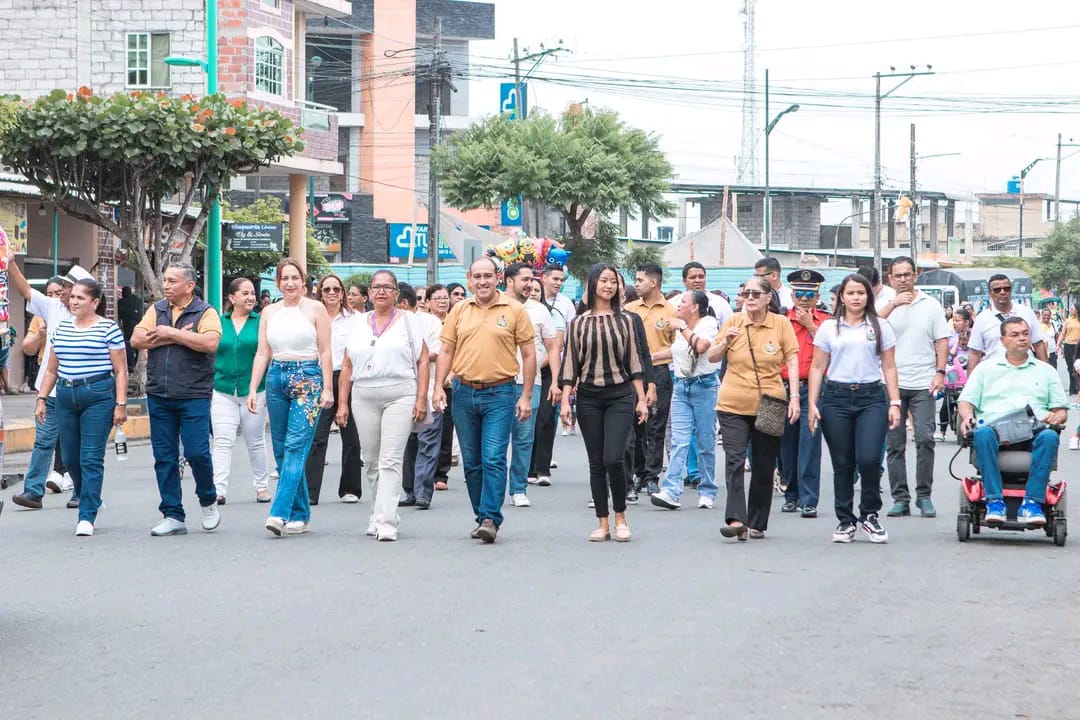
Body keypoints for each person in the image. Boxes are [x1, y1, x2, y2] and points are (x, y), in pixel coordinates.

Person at [432, 257, 535, 544]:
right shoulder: (459, 310)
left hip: (501, 393)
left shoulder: (514, 310)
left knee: (493, 457)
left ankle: (490, 517)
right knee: (472, 462)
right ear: (469, 279)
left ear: (498, 277)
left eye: (487, 276)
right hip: (463, 392)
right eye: (477, 276)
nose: (482, 281)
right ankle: (482, 516)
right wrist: (438, 388)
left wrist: (526, 395)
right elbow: (446, 351)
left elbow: (529, 354)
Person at [808, 273, 902, 545]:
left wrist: (895, 402)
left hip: (871, 397)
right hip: (836, 398)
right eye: (850, 293)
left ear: (868, 296)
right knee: (842, 463)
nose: (856, 298)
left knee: (869, 458)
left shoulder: (880, 325)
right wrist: (812, 403)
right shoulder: (829, 327)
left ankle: (869, 514)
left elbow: (889, 366)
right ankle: (845, 519)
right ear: (842, 297)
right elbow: (817, 366)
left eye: (861, 292)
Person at [132, 262, 223, 537]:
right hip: (159, 393)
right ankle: (172, 514)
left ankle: (208, 499)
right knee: (164, 457)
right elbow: (137, 339)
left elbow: (210, 343)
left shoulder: (205, 312)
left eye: (172, 281)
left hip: (194, 393)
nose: (166, 286)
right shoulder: (157, 309)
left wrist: (170, 333)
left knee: (197, 453)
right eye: (165, 280)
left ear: (190, 285)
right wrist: (185, 337)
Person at [336, 272, 429, 541]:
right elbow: (347, 366)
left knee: (390, 459)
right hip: (363, 394)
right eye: (376, 287)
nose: (381, 292)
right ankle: (378, 513)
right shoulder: (357, 323)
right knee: (371, 460)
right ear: (369, 293)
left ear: (396, 293)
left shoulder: (409, 321)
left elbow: (423, 360)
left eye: (388, 287)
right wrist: (342, 403)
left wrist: (421, 398)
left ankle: (387, 521)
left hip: (400, 392)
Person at [707, 276, 800, 540]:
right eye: (745, 293)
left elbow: (792, 360)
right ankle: (737, 519)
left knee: (763, 464)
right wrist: (726, 341)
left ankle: (757, 521)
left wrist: (794, 396)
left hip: (770, 402)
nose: (749, 298)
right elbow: (712, 356)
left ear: (768, 297)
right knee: (734, 460)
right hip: (733, 403)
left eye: (755, 294)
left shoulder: (780, 324)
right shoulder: (734, 321)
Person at [560, 263, 648, 541]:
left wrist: (642, 399)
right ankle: (603, 523)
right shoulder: (578, 323)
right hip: (588, 397)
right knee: (596, 462)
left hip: (620, 395)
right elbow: (570, 364)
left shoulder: (626, 321)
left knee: (614, 457)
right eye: (603, 280)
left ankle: (621, 516)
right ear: (592, 284)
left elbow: (634, 361)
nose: (609, 286)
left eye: (613, 281)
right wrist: (565, 402)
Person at [34, 278, 127, 536]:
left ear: (94, 302)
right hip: (65, 394)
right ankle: (91, 495)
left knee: (90, 457)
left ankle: (86, 515)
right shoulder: (62, 328)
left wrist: (121, 404)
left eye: (80, 298)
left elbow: (120, 370)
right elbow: (51, 369)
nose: (73, 301)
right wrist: (41, 398)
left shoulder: (108, 328)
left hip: (98, 395)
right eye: (72, 296)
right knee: (70, 458)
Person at [248, 259, 333, 536]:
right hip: (276, 377)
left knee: (296, 445)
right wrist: (253, 388)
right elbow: (262, 352)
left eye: (295, 277)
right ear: (277, 282)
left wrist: (328, 388)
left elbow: (326, 351)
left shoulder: (316, 309)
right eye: (285, 278)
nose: (290, 283)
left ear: (303, 281)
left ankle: (279, 512)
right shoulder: (269, 312)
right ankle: (300, 513)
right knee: (281, 448)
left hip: (307, 377)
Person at [958, 317, 1068, 527]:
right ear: (1003, 340)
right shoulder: (985, 369)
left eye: (1025, 334)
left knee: (1050, 436)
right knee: (982, 433)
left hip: (1033, 431)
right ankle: (994, 501)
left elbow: (1061, 410)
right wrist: (967, 416)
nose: (1022, 339)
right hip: (996, 431)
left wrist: (1057, 416)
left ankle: (1033, 503)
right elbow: (966, 401)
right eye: (1015, 335)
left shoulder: (1046, 371)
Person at [6, 260, 85, 511]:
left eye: (67, 286)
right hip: (49, 391)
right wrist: (10, 263)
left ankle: (82, 492)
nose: (62, 290)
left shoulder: (92, 319)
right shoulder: (53, 308)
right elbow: (25, 290)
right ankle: (33, 491)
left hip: (77, 391)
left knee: (75, 445)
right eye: (62, 286)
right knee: (43, 441)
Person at [876, 257, 950, 519]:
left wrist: (940, 372)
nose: (903, 279)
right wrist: (893, 304)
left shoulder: (930, 305)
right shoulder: (884, 304)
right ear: (890, 278)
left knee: (925, 438)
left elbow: (942, 340)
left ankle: (924, 495)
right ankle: (900, 498)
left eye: (907, 274)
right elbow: (870, 329)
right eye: (898, 275)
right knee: (894, 444)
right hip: (891, 383)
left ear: (916, 275)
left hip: (923, 382)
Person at [649, 290, 719, 510]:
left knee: (705, 440)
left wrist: (681, 327)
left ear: (695, 307)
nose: (678, 305)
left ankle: (707, 490)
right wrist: (652, 357)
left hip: (704, 386)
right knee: (678, 440)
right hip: (681, 386)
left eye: (683, 302)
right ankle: (671, 490)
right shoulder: (684, 328)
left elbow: (701, 347)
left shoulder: (707, 324)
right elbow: (677, 351)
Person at [503, 263, 560, 507]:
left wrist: (555, 382)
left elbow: (553, 347)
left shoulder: (539, 310)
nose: (530, 284)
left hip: (530, 383)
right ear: (509, 281)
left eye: (531, 280)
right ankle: (493, 487)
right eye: (524, 279)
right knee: (495, 441)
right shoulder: (496, 305)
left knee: (524, 439)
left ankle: (518, 488)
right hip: (497, 382)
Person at [305, 274, 364, 505]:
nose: (331, 293)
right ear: (320, 293)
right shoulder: (311, 317)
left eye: (336, 289)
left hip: (348, 377)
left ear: (342, 293)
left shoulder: (356, 319)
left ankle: (350, 488)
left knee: (352, 437)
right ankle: (310, 492)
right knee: (317, 437)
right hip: (319, 377)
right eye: (327, 289)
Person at [211, 277, 271, 504]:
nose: (250, 297)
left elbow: (267, 353)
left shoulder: (261, 322)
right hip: (223, 389)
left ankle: (262, 487)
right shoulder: (219, 322)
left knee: (255, 440)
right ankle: (218, 490)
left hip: (255, 390)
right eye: (245, 293)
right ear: (232, 297)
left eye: (252, 293)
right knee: (222, 440)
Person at [778, 270, 830, 518]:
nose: (804, 299)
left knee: (809, 444)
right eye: (799, 293)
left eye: (810, 294)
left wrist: (811, 326)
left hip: (813, 389)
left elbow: (834, 349)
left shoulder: (826, 322)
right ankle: (791, 495)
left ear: (817, 296)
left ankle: (809, 499)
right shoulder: (780, 321)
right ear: (792, 295)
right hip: (782, 388)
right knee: (784, 446)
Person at [625, 262, 676, 496]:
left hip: (659, 371)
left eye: (640, 280)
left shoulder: (671, 310)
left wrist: (651, 356)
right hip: (632, 373)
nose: (636, 284)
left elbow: (677, 347)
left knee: (656, 425)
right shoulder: (630, 309)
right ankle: (638, 471)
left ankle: (652, 474)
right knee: (634, 425)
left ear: (653, 282)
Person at [22, 278, 71, 496]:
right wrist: (41, 334)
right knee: (44, 439)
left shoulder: (83, 319)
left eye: (58, 293)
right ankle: (33, 491)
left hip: (72, 386)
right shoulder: (43, 314)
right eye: (49, 294)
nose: (53, 298)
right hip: (47, 382)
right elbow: (27, 348)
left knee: (69, 440)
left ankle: (69, 479)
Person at [399, 281, 443, 509]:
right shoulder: (388, 323)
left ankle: (423, 492)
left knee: (427, 442)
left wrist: (413, 355)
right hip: (401, 391)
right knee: (407, 444)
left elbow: (437, 352)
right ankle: (410, 491)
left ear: (404, 303)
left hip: (429, 389)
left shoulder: (430, 322)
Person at [527, 276, 565, 487]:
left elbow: (555, 347)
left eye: (536, 290)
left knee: (545, 418)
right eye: (530, 289)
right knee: (527, 420)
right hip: (523, 372)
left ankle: (542, 468)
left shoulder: (552, 314)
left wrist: (536, 366)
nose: (533, 293)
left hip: (547, 371)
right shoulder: (518, 311)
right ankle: (527, 468)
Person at [967, 274, 1047, 372]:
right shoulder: (982, 319)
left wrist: (1046, 373)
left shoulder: (1027, 312)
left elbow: (1038, 345)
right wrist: (970, 380)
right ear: (990, 293)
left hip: (1026, 372)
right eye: (997, 290)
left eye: (1006, 289)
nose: (1002, 292)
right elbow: (975, 353)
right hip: (995, 374)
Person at [435, 282, 468, 488]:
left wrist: (452, 374)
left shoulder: (458, 320)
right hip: (426, 381)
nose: (442, 302)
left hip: (451, 381)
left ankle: (441, 475)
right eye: (438, 298)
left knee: (446, 428)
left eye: (445, 298)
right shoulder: (423, 322)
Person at [939, 308, 972, 440]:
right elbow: (946, 354)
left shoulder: (974, 335)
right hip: (954, 374)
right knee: (947, 401)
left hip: (970, 375)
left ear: (967, 322)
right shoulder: (950, 336)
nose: (955, 323)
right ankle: (942, 430)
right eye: (954, 320)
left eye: (958, 320)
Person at [542, 263, 577, 330]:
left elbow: (572, 330)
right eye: (555, 279)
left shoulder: (566, 303)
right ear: (544, 278)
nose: (559, 283)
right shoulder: (534, 299)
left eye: (561, 280)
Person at [118, 285, 143, 371]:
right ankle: (137, 363)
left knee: (129, 344)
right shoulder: (137, 300)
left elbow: (120, 314)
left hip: (129, 324)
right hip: (139, 323)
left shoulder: (122, 302)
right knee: (138, 344)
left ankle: (131, 365)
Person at [1059, 304, 1080, 394]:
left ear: (1077, 310)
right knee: (1070, 367)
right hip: (1068, 346)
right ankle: (1072, 388)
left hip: (1078, 346)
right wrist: (1058, 344)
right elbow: (1063, 334)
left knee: (1078, 367)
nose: (1070, 310)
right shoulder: (1068, 320)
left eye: (1072, 309)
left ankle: (1078, 387)